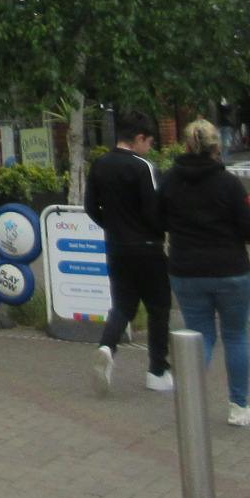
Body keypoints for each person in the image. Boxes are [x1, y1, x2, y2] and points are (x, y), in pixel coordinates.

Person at [158, 117, 250, 426]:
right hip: (231, 269)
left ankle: (189, 404)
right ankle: (239, 407)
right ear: (216, 147)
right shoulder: (228, 183)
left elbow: (157, 219)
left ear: (186, 145)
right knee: (235, 335)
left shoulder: (169, 181)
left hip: (185, 270)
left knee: (200, 336)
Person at [84, 118, 173, 397]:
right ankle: (157, 371)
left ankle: (107, 346)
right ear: (139, 138)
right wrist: (161, 229)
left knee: (122, 305)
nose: (149, 148)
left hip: (117, 247)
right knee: (159, 307)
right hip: (147, 248)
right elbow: (154, 209)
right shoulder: (143, 167)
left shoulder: (99, 164)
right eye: (149, 142)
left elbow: (90, 206)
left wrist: (112, 226)